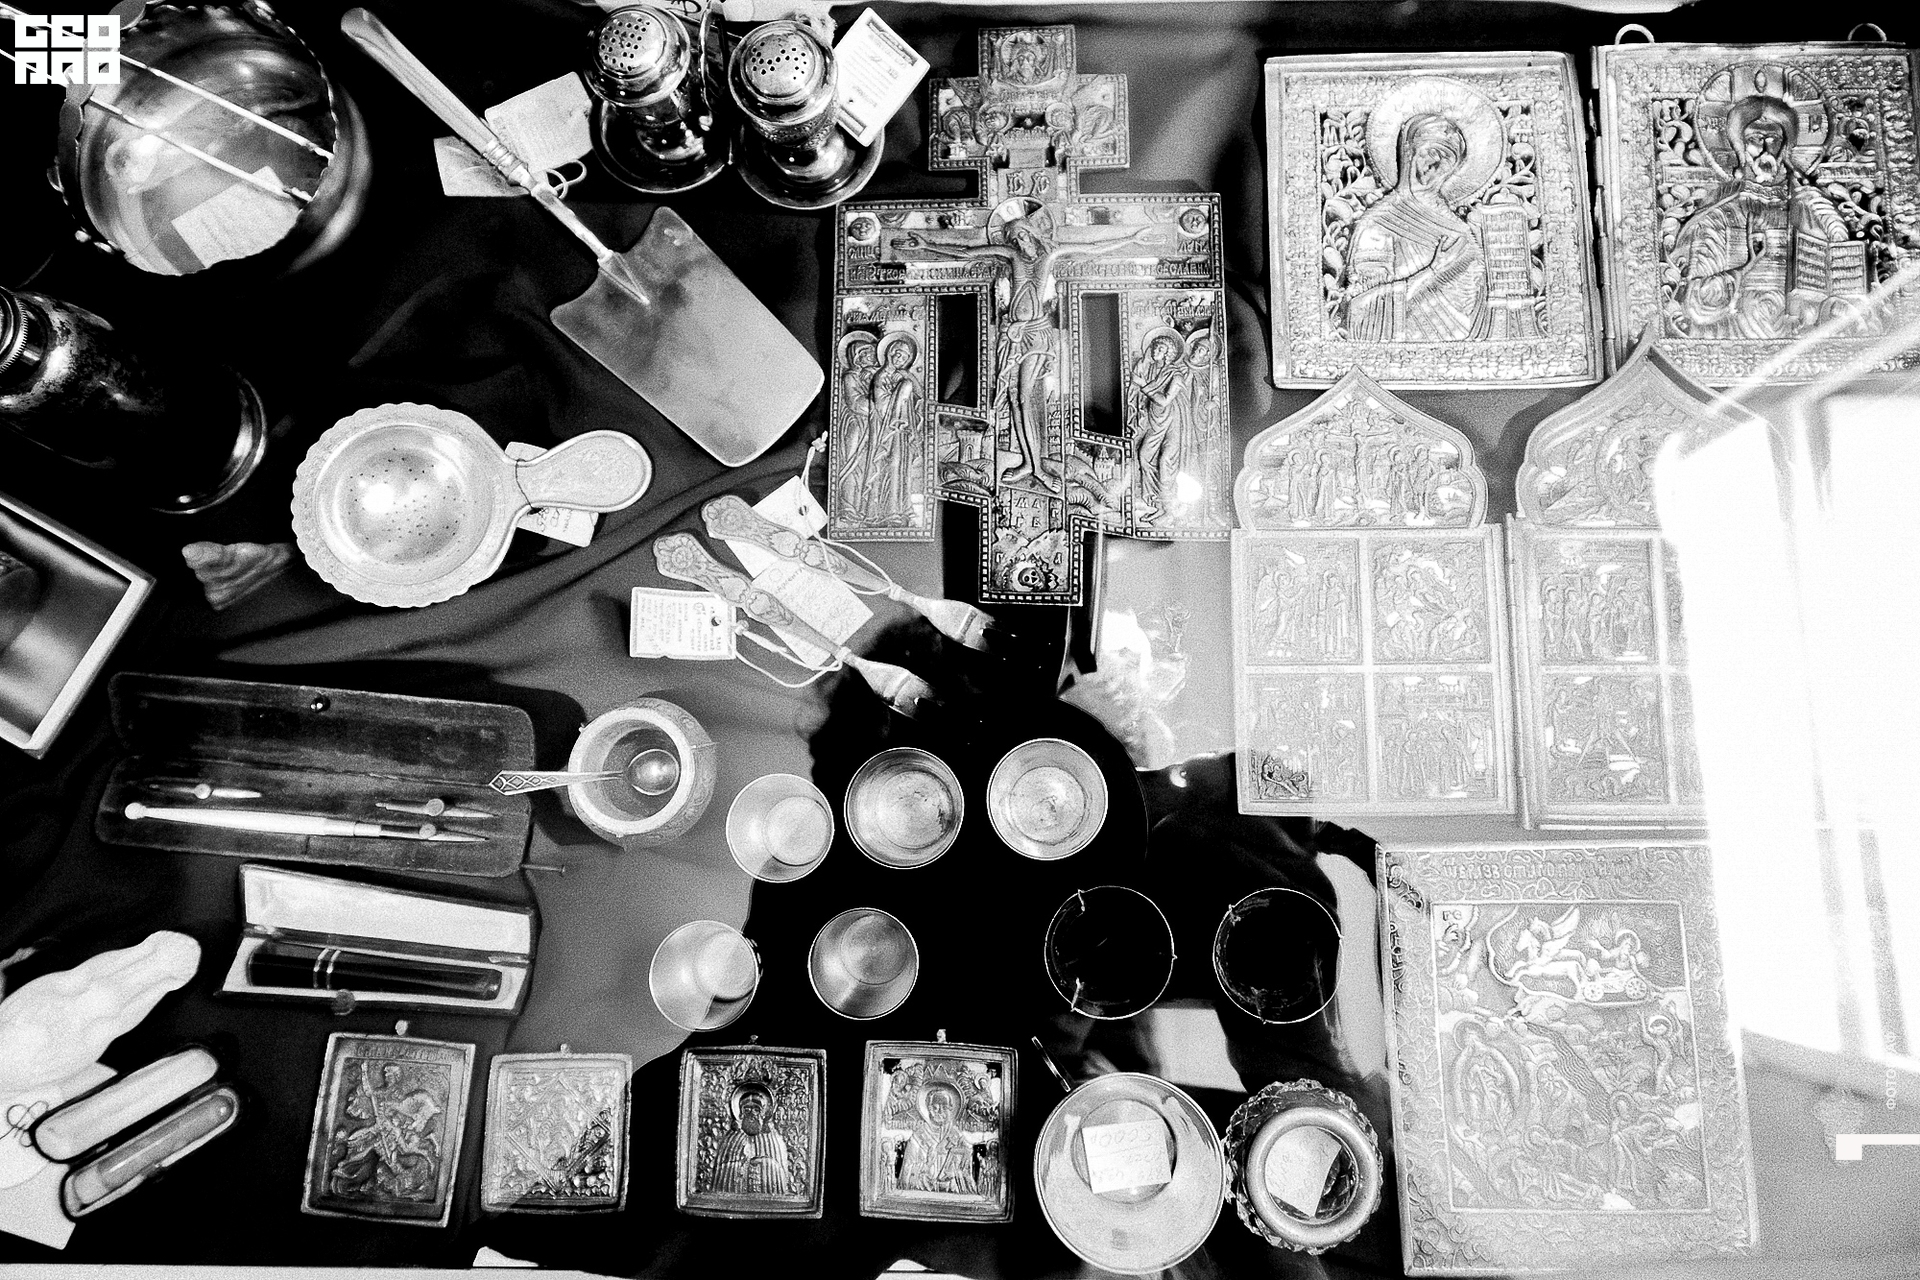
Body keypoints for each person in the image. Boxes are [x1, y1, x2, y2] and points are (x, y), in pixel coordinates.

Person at [1670, 92, 1856, 338]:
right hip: (1738, 335)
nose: (1766, 149)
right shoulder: (1723, 215)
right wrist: (1744, 269)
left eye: (1774, 139)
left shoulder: (1809, 207)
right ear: (1740, 146)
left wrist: (1830, 231)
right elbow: (1696, 300)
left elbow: (1843, 280)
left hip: (1803, 335)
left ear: (1785, 146)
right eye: (1756, 139)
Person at [1344, 112, 1492, 342]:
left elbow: (1477, 293)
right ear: (1408, 152)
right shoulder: (1379, 223)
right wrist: (1433, 271)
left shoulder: (1460, 228)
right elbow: (1362, 310)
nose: (1436, 163)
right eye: (1431, 152)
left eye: (1447, 158)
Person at [867, 332, 922, 528]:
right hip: (887, 429)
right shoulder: (881, 376)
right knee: (891, 465)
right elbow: (881, 405)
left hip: (902, 431)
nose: (900, 358)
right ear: (890, 353)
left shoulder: (903, 376)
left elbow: (920, 396)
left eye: (905, 357)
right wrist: (900, 391)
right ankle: (888, 511)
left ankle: (901, 508)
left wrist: (907, 379)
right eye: (898, 353)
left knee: (901, 467)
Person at [897, 1083, 976, 1194]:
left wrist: (962, 1156)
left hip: (951, 1190)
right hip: (922, 1190)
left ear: (951, 1109)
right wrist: (927, 1165)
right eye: (935, 1107)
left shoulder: (955, 1133)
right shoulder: (919, 1135)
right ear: (928, 1108)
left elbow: (967, 1151)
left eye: (945, 1107)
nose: (940, 1111)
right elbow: (908, 1168)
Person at [834, 333, 880, 523]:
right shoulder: (850, 377)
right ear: (857, 358)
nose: (872, 357)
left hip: (872, 427)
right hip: (855, 426)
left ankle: (865, 509)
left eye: (872, 353)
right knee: (852, 464)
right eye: (867, 354)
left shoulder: (873, 375)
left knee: (868, 466)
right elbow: (855, 402)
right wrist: (880, 401)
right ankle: (847, 506)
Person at [713, 1083, 790, 1195]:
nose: (751, 1114)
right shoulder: (731, 1138)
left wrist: (765, 1162)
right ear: (740, 1113)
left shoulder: (773, 1140)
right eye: (747, 1109)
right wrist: (740, 1165)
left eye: (756, 1109)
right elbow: (721, 1170)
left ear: (764, 1113)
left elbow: (781, 1172)